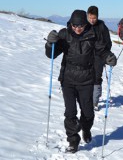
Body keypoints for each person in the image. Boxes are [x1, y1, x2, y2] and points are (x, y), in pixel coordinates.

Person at [45, 10, 117, 153]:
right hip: (68, 80)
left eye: (81, 26)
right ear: (70, 23)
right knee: (70, 112)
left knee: (88, 113)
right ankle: (73, 140)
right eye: (74, 25)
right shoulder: (64, 35)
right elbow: (50, 54)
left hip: (86, 79)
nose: (77, 29)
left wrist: (108, 57)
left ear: (85, 24)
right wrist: (50, 43)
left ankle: (86, 128)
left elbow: (101, 51)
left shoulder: (92, 35)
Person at [87, 6, 112, 111]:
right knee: (86, 78)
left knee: (97, 78)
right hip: (86, 56)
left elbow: (108, 42)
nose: (92, 20)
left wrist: (105, 55)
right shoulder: (83, 25)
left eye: (94, 18)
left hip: (98, 57)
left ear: (97, 17)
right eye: (90, 17)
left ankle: (95, 102)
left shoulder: (102, 26)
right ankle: (86, 100)